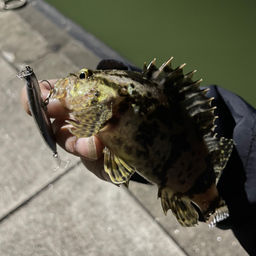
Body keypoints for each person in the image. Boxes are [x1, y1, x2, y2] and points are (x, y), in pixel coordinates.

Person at [20, 60, 256, 255]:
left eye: (82, 76)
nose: (75, 79)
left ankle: (212, 200)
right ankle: (214, 199)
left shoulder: (108, 109)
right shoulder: (112, 104)